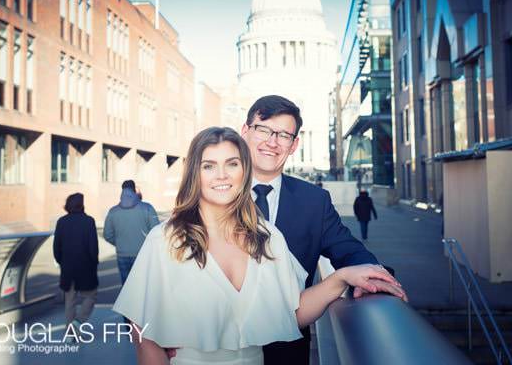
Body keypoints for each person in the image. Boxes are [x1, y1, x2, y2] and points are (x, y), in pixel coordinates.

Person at [113, 127, 404, 365]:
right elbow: (144, 337)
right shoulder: (167, 239)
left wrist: (342, 277)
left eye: (232, 164)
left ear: (244, 170)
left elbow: (290, 312)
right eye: (209, 166)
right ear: (195, 174)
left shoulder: (267, 236)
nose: (222, 175)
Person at [240, 95, 407, 364]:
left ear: (294, 145)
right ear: (245, 131)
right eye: (263, 129)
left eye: (283, 135)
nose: (272, 142)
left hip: (286, 351)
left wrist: (375, 276)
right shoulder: (216, 190)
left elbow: (348, 250)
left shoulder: (313, 201)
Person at [53, 193, 99, 338]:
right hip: (85, 266)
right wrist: (94, 262)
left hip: (68, 268)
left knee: (70, 301)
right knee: (90, 297)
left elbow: (56, 247)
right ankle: (78, 322)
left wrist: (62, 262)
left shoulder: (61, 222)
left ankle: (70, 333)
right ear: (82, 205)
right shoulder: (89, 221)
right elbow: (93, 247)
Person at [104, 180, 160, 284]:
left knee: (126, 287)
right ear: (134, 190)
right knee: (143, 286)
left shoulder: (113, 211)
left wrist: (120, 243)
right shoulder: (147, 208)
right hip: (143, 253)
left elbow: (107, 235)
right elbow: (156, 231)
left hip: (122, 254)